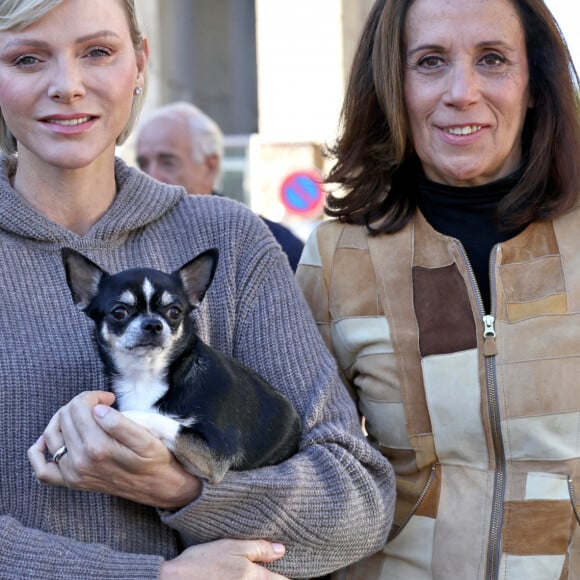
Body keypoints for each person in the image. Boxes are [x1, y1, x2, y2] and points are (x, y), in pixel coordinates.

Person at [0, 1, 396, 578]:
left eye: (98, 52)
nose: (69, 86)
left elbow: (357, 505)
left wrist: (182, 486)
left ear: (140, 62)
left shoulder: (230, 239)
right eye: (28, 57)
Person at [296, 0, 580, 578]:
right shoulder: (339, 257)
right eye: (430, 62)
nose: (462, 92)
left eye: (493, 60)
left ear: (533, 85)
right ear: (393, 85)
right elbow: (304, 471)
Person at [136, 101, 305, 271]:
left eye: (167, 162)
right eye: (143, 164)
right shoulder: (125, 243)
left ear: (210, 166)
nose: (151, 176)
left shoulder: (272, 246)